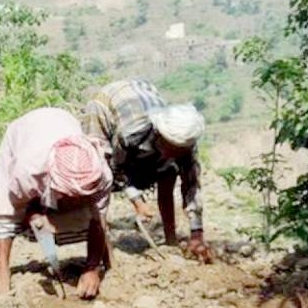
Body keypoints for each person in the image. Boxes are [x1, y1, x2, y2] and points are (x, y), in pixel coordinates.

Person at [81, 79, 213, 262]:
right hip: (105, 106)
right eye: (171, 148)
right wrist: (137, 202)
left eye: (179, 151)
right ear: (159, 135)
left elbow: (191, 185)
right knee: (99, 170)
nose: (175, 153)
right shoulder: (130, 136)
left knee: (168, 170)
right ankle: (101, 241)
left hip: (142, 94)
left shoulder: (186, 142)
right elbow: (116, 170)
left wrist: (197, 234)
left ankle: (170, 240)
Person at [0, 107, 112, 299]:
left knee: (92, 215)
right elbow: (16, 211)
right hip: (24, 134)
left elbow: (99, 220)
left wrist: (91, 268)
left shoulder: (101, 174)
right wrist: (35, 214)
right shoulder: (27, 172)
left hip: (63, 121)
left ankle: (105, 262)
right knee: (6, 212)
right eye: (72, 196)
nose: (77, 201)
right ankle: (2, 273)